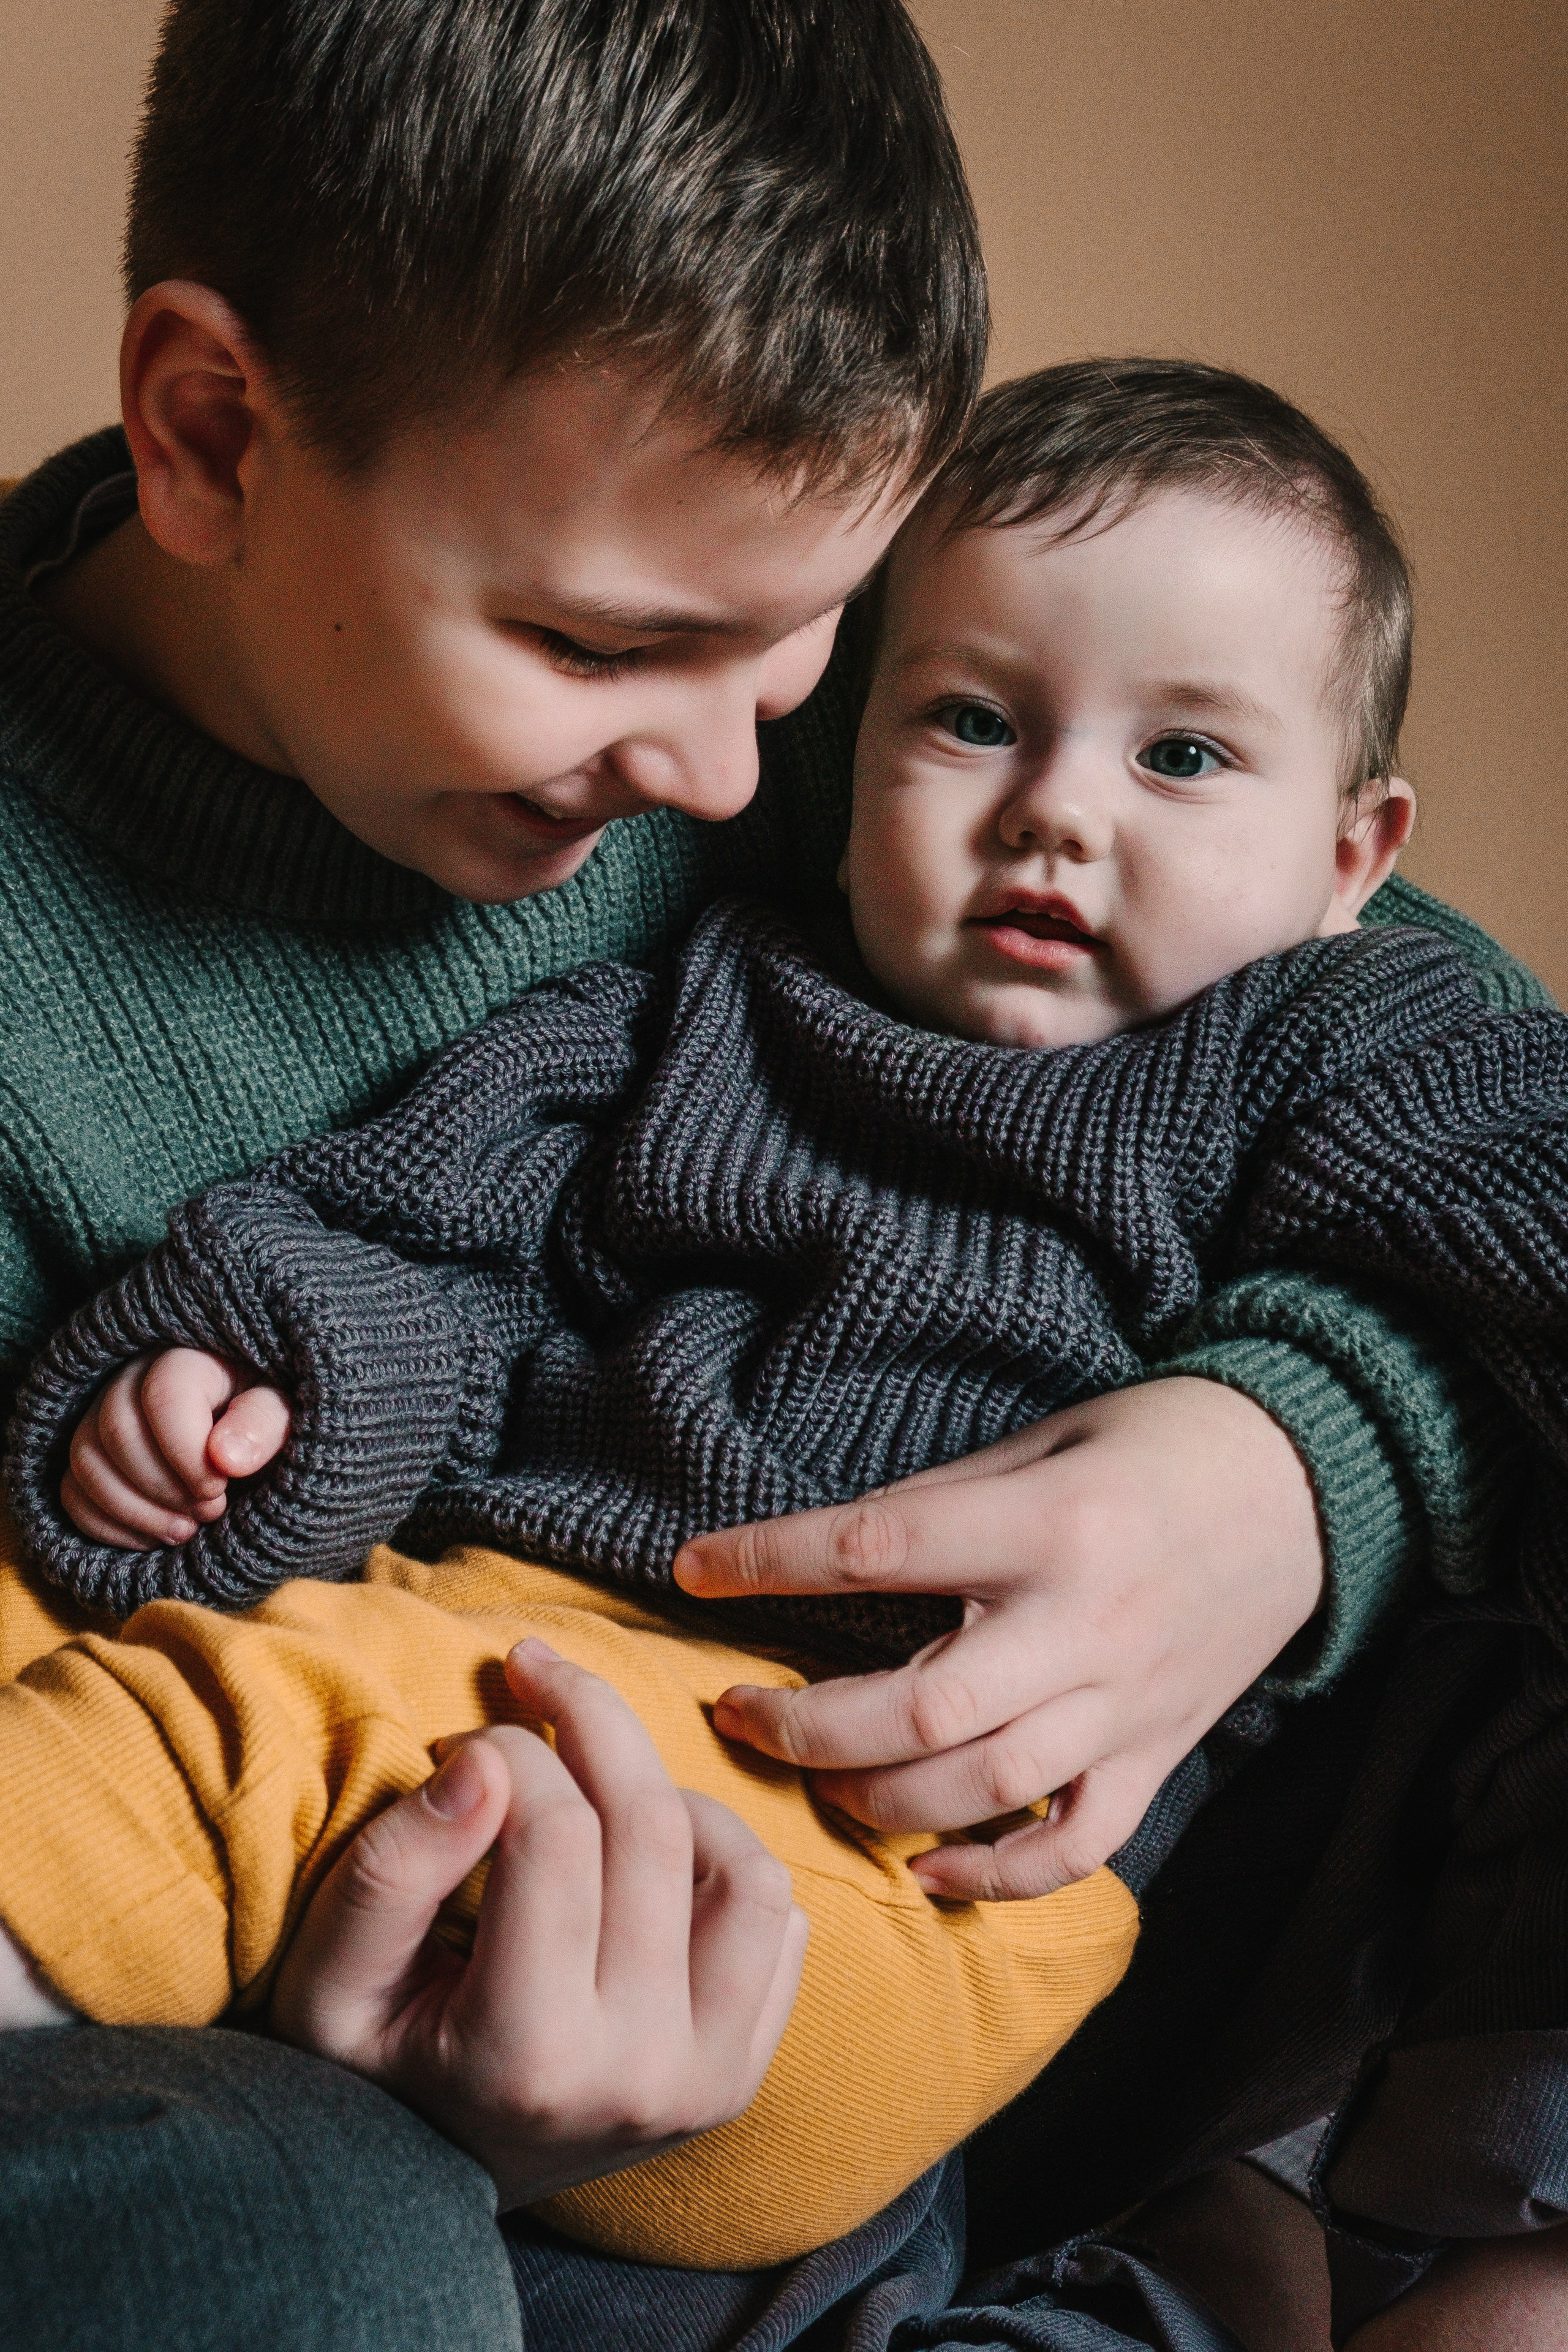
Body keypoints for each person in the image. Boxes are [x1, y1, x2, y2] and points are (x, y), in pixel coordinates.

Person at [0, 0, 1551, 2335]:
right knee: (300, 2237)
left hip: (1018, 1874)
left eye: (818, 645)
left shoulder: (884, 704)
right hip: (420, 1867)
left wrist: (1292, 1464)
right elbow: (400, 1260)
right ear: (214, 430)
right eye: (610, 646)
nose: (743, 778)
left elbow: (1457, 1086)